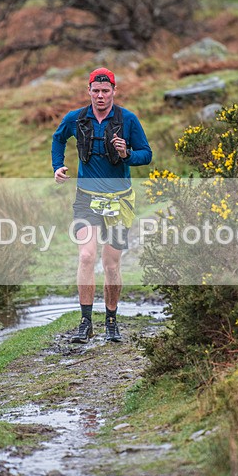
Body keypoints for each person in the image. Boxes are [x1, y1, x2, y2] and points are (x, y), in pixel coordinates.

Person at [52, 67, 152, 343]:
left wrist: (126, 153)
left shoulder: (128, 120)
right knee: (86, 256)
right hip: (86, 198)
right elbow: (58, 138)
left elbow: (146, 155)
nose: (100, 96)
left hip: (119, 201)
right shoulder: (76, 118)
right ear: (89, 91)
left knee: (110, 264)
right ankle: (85, 323)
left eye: (105, 91)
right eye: (95, 91)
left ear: (114, 92)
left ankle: (111, 321)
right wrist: (58, 166)